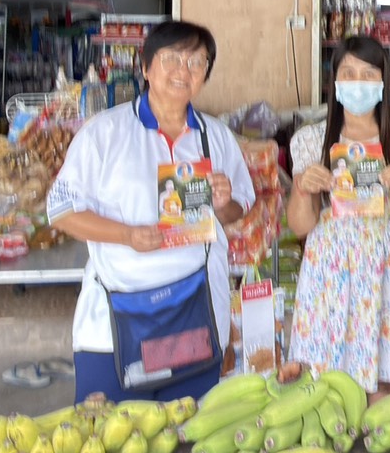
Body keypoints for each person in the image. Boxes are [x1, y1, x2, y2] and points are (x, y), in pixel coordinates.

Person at [49, 20, 252, 403]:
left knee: (185, 437)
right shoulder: (103, 133)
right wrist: (127, 235)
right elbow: (61, 210)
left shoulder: (216, 136)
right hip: (115, 320)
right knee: (108, 442)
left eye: (197, 62)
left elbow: (239, 208)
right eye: (172, 59)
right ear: (145, 67)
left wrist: (225, 204)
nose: (184, 71)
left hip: (195, 317)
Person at [287, 35, 390, 400]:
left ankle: (376, 442)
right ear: (334, 81)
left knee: (384, 373)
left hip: (387, 259)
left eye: (368, 74)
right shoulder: (310, 140)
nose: (357, 82)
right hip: (331, 262)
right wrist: (305, 188)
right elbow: (300, 226)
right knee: (328, 374)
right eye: (348, 73)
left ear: (383, 82)